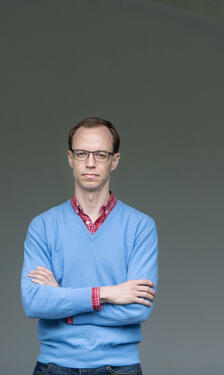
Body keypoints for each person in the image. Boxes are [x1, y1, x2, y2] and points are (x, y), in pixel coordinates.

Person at [20, 117, 158, 375]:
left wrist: (64, 305)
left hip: (119, 367)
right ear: (70, 158)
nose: (91, 163)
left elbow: (137, 308)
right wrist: (105, 294)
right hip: (54, 366)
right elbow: (34, 303)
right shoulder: (42, 226)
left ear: (114, 161)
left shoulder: (141, 226)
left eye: (101, 154)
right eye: (82, 153)